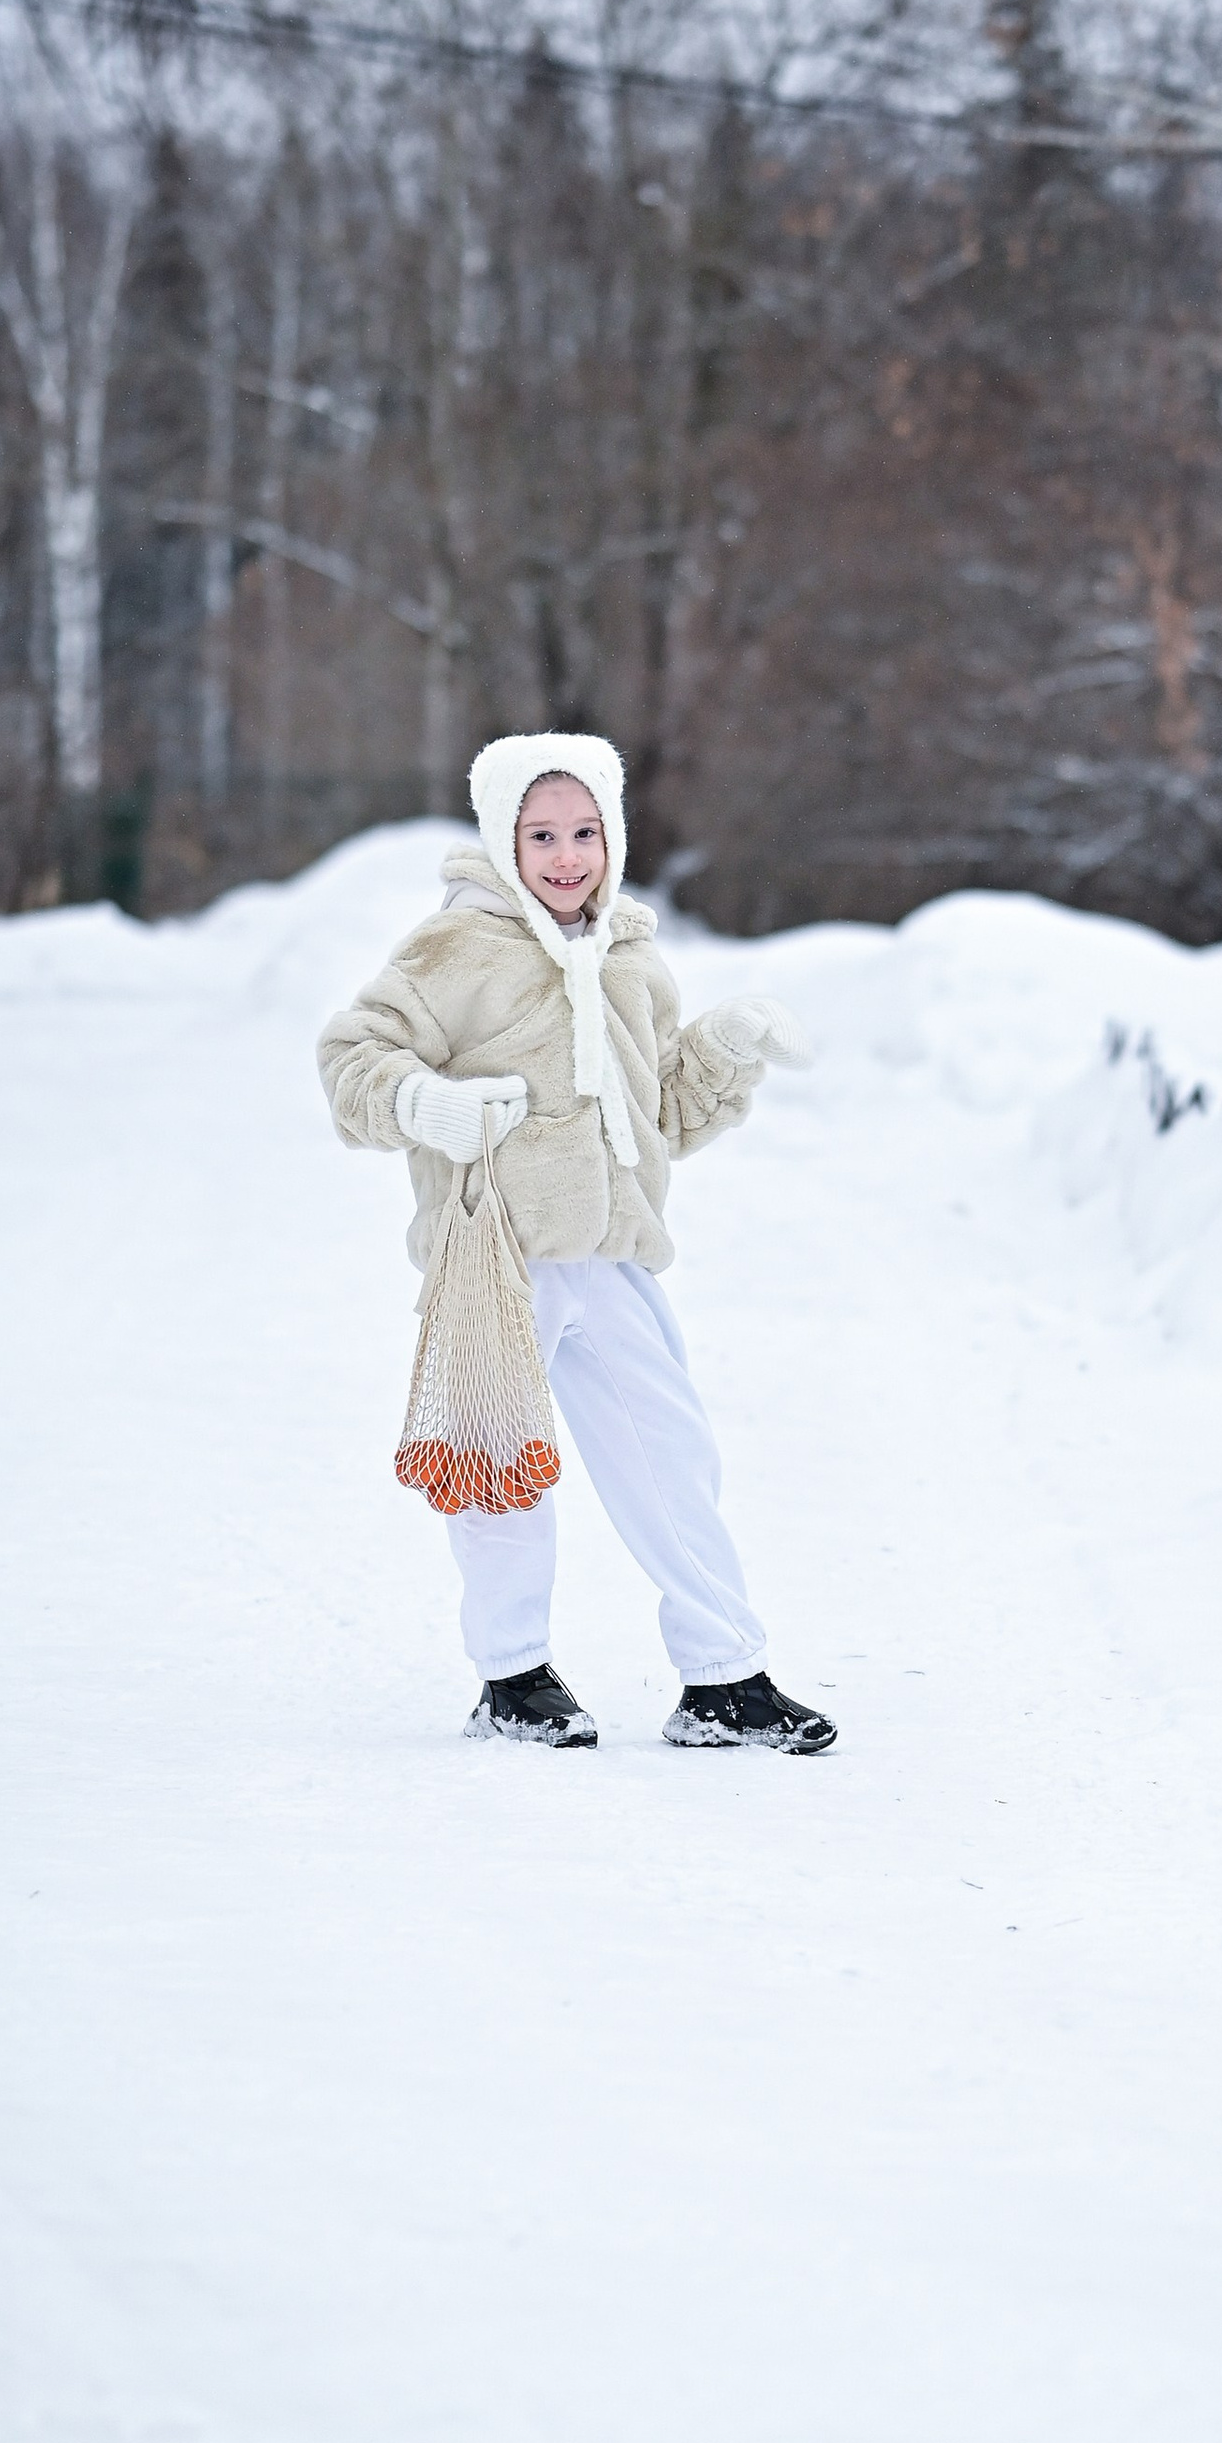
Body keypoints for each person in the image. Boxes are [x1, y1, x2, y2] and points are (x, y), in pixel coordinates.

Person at [318, 729, 836, 1756]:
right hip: (494, 1259)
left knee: (670, 1455)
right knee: (500, 1466)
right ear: (502, 840)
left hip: (610, 1255)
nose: (566, 856)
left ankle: (722, 1679)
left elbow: (663, 1118)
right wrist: (426, 1102)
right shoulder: (451, 949)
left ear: (615, 834)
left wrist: (727, 1049)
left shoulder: (631, 961)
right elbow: (351, 1059)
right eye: (541, 833)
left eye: (585, 831)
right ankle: (512, 1678)